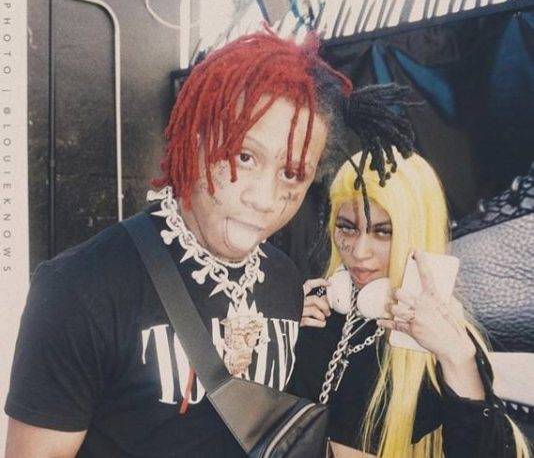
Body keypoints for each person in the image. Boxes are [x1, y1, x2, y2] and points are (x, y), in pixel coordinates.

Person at [4, 30, 356, 457]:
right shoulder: (80, 287)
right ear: (195, 138)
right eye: (244, 157)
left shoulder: (283, 278)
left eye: (291, 174)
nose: (264, 199)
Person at [289, 150, 531, 458]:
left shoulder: (442, 346)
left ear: (415, 234)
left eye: (383, 232)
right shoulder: (313, 314)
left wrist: (457, 359)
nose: (359, 252)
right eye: (347, 227)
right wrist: (277, 333)